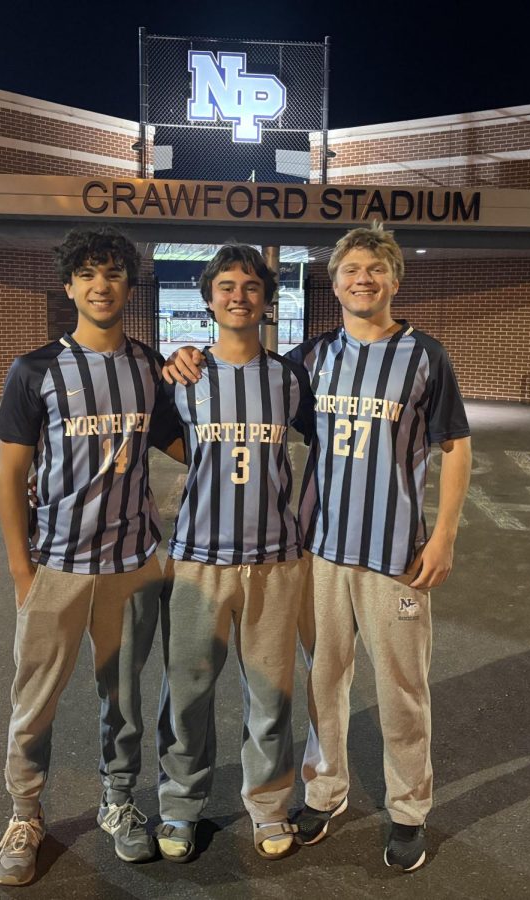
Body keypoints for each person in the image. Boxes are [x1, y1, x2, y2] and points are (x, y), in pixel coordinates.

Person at [164, 222, 472, 873]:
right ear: (334, 284)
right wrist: (184, 356)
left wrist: (444, 532)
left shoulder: (424, 356)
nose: (363, 279)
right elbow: (247, 380)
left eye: (375, 269)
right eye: (351, 269)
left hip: (397, 556)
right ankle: (326, 795)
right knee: (323, 684)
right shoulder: (309, 361)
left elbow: (456, 445)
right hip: (320, 554)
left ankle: (408, 809)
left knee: (401, 688)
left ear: (394, 278)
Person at [0, 227, 181, 886]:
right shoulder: (35, 370)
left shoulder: (148, 368)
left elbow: (183, 446)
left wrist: (218, 392)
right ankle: (24, 812)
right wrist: (22, 571)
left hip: (132, 566)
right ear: (70, 286)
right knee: (34, 700)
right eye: (89, 274)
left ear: (130, 285)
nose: (102, 285)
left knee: (123, 701)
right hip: (58, 566)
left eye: (114, 274)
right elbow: (11, 477)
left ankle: (117, 801)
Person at [155, 244, 315, 863]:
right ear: (208, 297)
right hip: (199, 559)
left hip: (274, 561)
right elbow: (153, 436)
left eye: (251, 286)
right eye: (226, 286)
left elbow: (329, 446)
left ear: (267, 298)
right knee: (187, 693)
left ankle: (269, 807)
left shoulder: (289, 378)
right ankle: (178, 806)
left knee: (270, 697)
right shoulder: (185, 375)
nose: (239, 296)